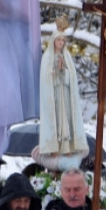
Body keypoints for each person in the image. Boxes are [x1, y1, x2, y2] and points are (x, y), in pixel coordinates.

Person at [38, 17, 88, 171]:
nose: (61, 43)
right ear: (53, 41)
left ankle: (67, 148)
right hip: (53, 97)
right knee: (56, 120)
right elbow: (45, 80)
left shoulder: (67, 57)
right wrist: (54, 72)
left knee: (66, 120)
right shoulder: (47, 57)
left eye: (63, 40)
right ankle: (54, 148)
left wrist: (63, 72)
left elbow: (71, 78)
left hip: (65, 95)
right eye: (58, 40)